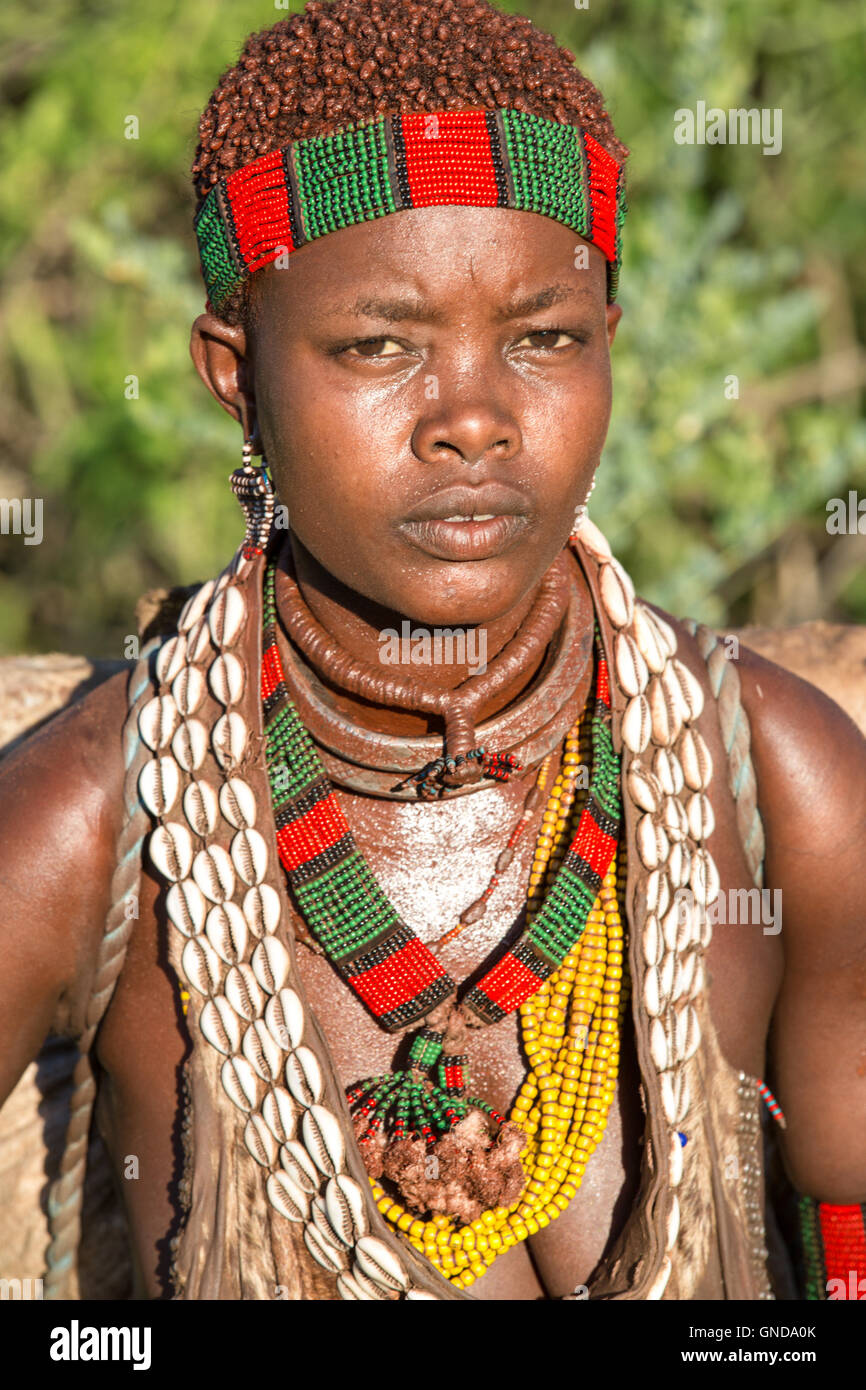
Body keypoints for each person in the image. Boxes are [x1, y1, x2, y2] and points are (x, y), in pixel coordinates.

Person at [1, 0, 864, 1302]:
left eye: (542, 339)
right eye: (378, 347)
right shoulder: (103, 821)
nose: (470, 417)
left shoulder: (773, 777)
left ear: (609, 354)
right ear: (236, 376)